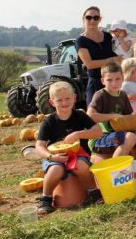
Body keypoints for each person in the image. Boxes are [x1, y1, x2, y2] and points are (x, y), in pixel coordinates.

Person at [35, 81, 103, 214]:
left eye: (67, 98)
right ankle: (46, 199)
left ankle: (94, 192)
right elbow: (39, 146)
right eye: (59, 100)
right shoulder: (49, 121)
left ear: (74, 98)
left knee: (80, 166)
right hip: (56, 156)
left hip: (78, 154)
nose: (64, 102)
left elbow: (98, 131)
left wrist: (79, 134)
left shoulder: (80, 115)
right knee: (55, 170)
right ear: (52, 102)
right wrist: (51, 156)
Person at [86, 63, 136, 161]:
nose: (114, 83)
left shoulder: (123, 94)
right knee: (130, 137)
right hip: (101, 138)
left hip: (121, 134)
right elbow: (90, 116)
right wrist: (113, 116)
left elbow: (128, 116)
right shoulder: (100, 95)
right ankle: (115, 172)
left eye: (117, 79)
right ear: (103, 81)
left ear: (122, 78)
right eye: (109, 80)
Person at [76, 6, 121, 105]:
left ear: (100, 20)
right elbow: (89, 64)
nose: (92, 20)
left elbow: (115, 53)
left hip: (113, 81)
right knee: (95, 116)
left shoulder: (108, 36)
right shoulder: (81, 41)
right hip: (96, 83)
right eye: (89, 17)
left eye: (96, 18)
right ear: (83, 19)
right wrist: (112, 60)